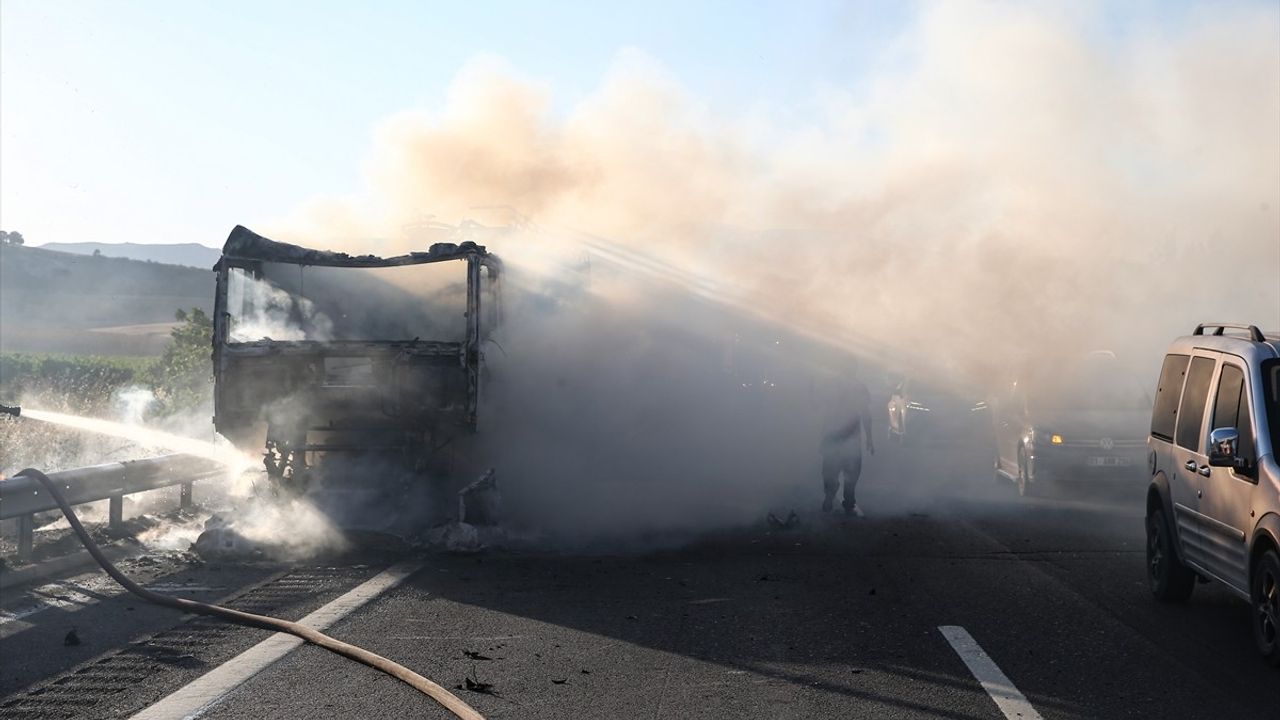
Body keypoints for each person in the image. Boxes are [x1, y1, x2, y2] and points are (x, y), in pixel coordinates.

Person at [820, 367, 875, 516]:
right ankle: (848, 501)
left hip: (832, 435)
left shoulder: (831, 385)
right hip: (850, 436)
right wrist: (869, 437)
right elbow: (866, 413)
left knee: (830, 469)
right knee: (852, 470)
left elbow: (820, 407)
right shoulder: (859, 387)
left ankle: (830, 496)